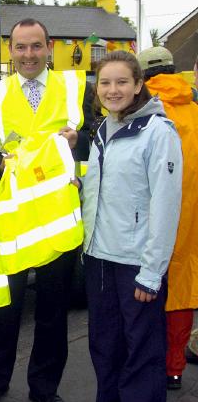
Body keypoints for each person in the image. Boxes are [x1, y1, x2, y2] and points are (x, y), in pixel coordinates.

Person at [0, 18, 93, 402]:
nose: (29, 55)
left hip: (58, 218)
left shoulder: (77, 87)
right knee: (2, 310)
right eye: (21, 47)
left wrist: (78, 142)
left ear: (49, 47)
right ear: (10, 51)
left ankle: (44, 389)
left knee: (52, 313)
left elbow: (95, 142)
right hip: (11, 219)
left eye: (36, 46)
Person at [82, 50, 182, 402]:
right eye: (105, 82)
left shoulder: (159, 131)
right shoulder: (103, 130)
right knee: (105, 349)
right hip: (99, 259)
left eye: (122, 81)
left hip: (136, 265)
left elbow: (166, 205)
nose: (112, 90)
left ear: (139, 84)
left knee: (141, 354)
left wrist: (152, 272)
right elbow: (101, 188)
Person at [136, 46, 198, 390]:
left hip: (147, 219)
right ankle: (173, 368)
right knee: (183, 290)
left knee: (147, 288)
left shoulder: (142, 112)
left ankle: (147, 362)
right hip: (190, 221)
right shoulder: (195, 111)